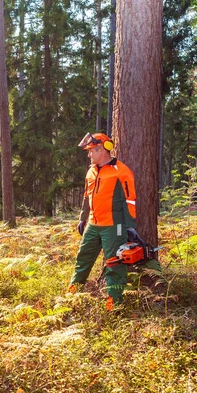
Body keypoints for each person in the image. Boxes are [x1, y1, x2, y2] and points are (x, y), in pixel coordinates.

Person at [68, 132, 158, 310]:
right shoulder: (91, 171)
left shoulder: (121, 172)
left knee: (114, 262)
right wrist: (82, 218)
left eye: (91, 151)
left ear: (101, 149)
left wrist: (129, 227)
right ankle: (73, 291)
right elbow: (87, 197)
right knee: (83, 257)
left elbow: (130, 201)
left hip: (114, 226)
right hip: (93, 224)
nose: (89, 155)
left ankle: (114, 301)